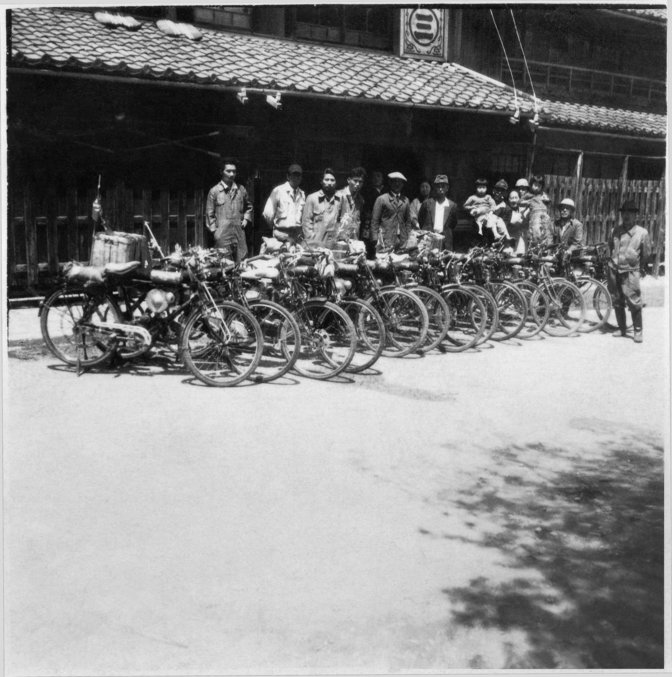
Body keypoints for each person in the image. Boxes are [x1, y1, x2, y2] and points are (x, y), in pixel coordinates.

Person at [607, 200, 651, 343]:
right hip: (614, 270)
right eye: (624, 213)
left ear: (635, 215)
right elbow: (610, 246)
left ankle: (638, 331)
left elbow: (646, 254)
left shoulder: (642, 233)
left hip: (631, 271)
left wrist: (638, 266)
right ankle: (622, 328)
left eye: (630, 213)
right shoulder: (616, 230)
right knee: (617, 300)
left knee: (634, 301)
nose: (626, 216)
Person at [205, 157, 253, 262]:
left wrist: (246, 219)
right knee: (223, 263)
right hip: (222, 234)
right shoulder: (214, 191)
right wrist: (215, 232)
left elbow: (249, 207)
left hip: (239, 233)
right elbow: (209, 214)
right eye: (228, 171)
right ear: (221, 172)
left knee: (242, 260)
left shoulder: (241, 190)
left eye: (234, 172)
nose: (231, 174)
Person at [262, 163, 306, 245]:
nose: (296, 178)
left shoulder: (302, 195)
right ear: (288, 176)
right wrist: (275, 228)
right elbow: (267, 213)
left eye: (298, 175)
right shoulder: (278, 191)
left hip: (296, 236)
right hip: (281, 235)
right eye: (293, 175)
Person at [301, 167, 344, 250]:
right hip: (316, 243)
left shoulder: (340, 199)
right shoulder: (312, 198)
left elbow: (342, 221)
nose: (329, 182)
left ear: (336, 183)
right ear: (321, 181)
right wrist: (312, 240)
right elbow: (306, 222)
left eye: (332, 180)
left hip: (333, 243)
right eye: (326, 180)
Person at [370, 171, 412, 253]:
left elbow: (408, 222)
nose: (397, 184)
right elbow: (375, 221)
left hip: (402, 241)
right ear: (390, 183)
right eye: (394, 181)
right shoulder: (382, 199)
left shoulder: (405, 201)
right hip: (385, 240)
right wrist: (375, 239)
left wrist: (408, 237)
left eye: (399, 182)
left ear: (402, 184)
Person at [416, 174, 458, 251]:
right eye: (438, 186)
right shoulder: (427, 203)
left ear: (447, 188)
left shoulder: (452, 205)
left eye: (443, 186)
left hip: (445, 241)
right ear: (434, 188)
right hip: (429, 239)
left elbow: (453, 223)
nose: (441, 189)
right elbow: (420, 219)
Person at [336, 166, 367, 241]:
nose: (357, 184)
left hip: (354, 239)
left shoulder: (361, 200)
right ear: (349, 180)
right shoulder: (339, 195)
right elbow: (334, 220)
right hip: (339, 238)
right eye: (355, 181)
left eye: (360, 182)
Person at [523, 174, 552, 246]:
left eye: (539, 186)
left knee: (547, 232)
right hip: (535, 215)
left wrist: (547, 199)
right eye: (535, 185)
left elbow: (549, 202)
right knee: (536, 232)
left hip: (544, 214)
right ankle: (535, 247)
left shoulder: (543, 194)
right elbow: (520, 201)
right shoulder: (528, 195)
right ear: (531, 185)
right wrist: (527, 202)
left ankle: (547, 247)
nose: (537, 188)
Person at [361, 169, 385, 258]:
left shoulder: (385, 192)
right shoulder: (367, 192)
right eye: (374, 176)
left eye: (378, 176)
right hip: (369, 225)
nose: (376, 178)